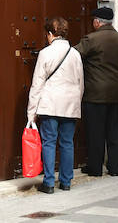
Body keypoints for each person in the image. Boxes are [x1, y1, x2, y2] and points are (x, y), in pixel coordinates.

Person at [26, 16, 84, 194]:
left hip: (50, 104)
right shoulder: (75, 54)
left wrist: (31, 111)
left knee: (49, 142)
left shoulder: (45, 53)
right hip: (70, 104)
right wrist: (76, 103)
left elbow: (37, 84)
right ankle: (66, 182)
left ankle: (49, 183)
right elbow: (80, 83)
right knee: (67, 143)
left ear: (51, 34)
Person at [77, 5, 118, 177]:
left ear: (97, 22)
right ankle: (115, 166)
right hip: (115, 94)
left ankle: (95, 167)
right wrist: (116, 82)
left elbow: (73, 56)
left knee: (95, 133)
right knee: (113, 132)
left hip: (95, 94)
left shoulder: (91, 39)